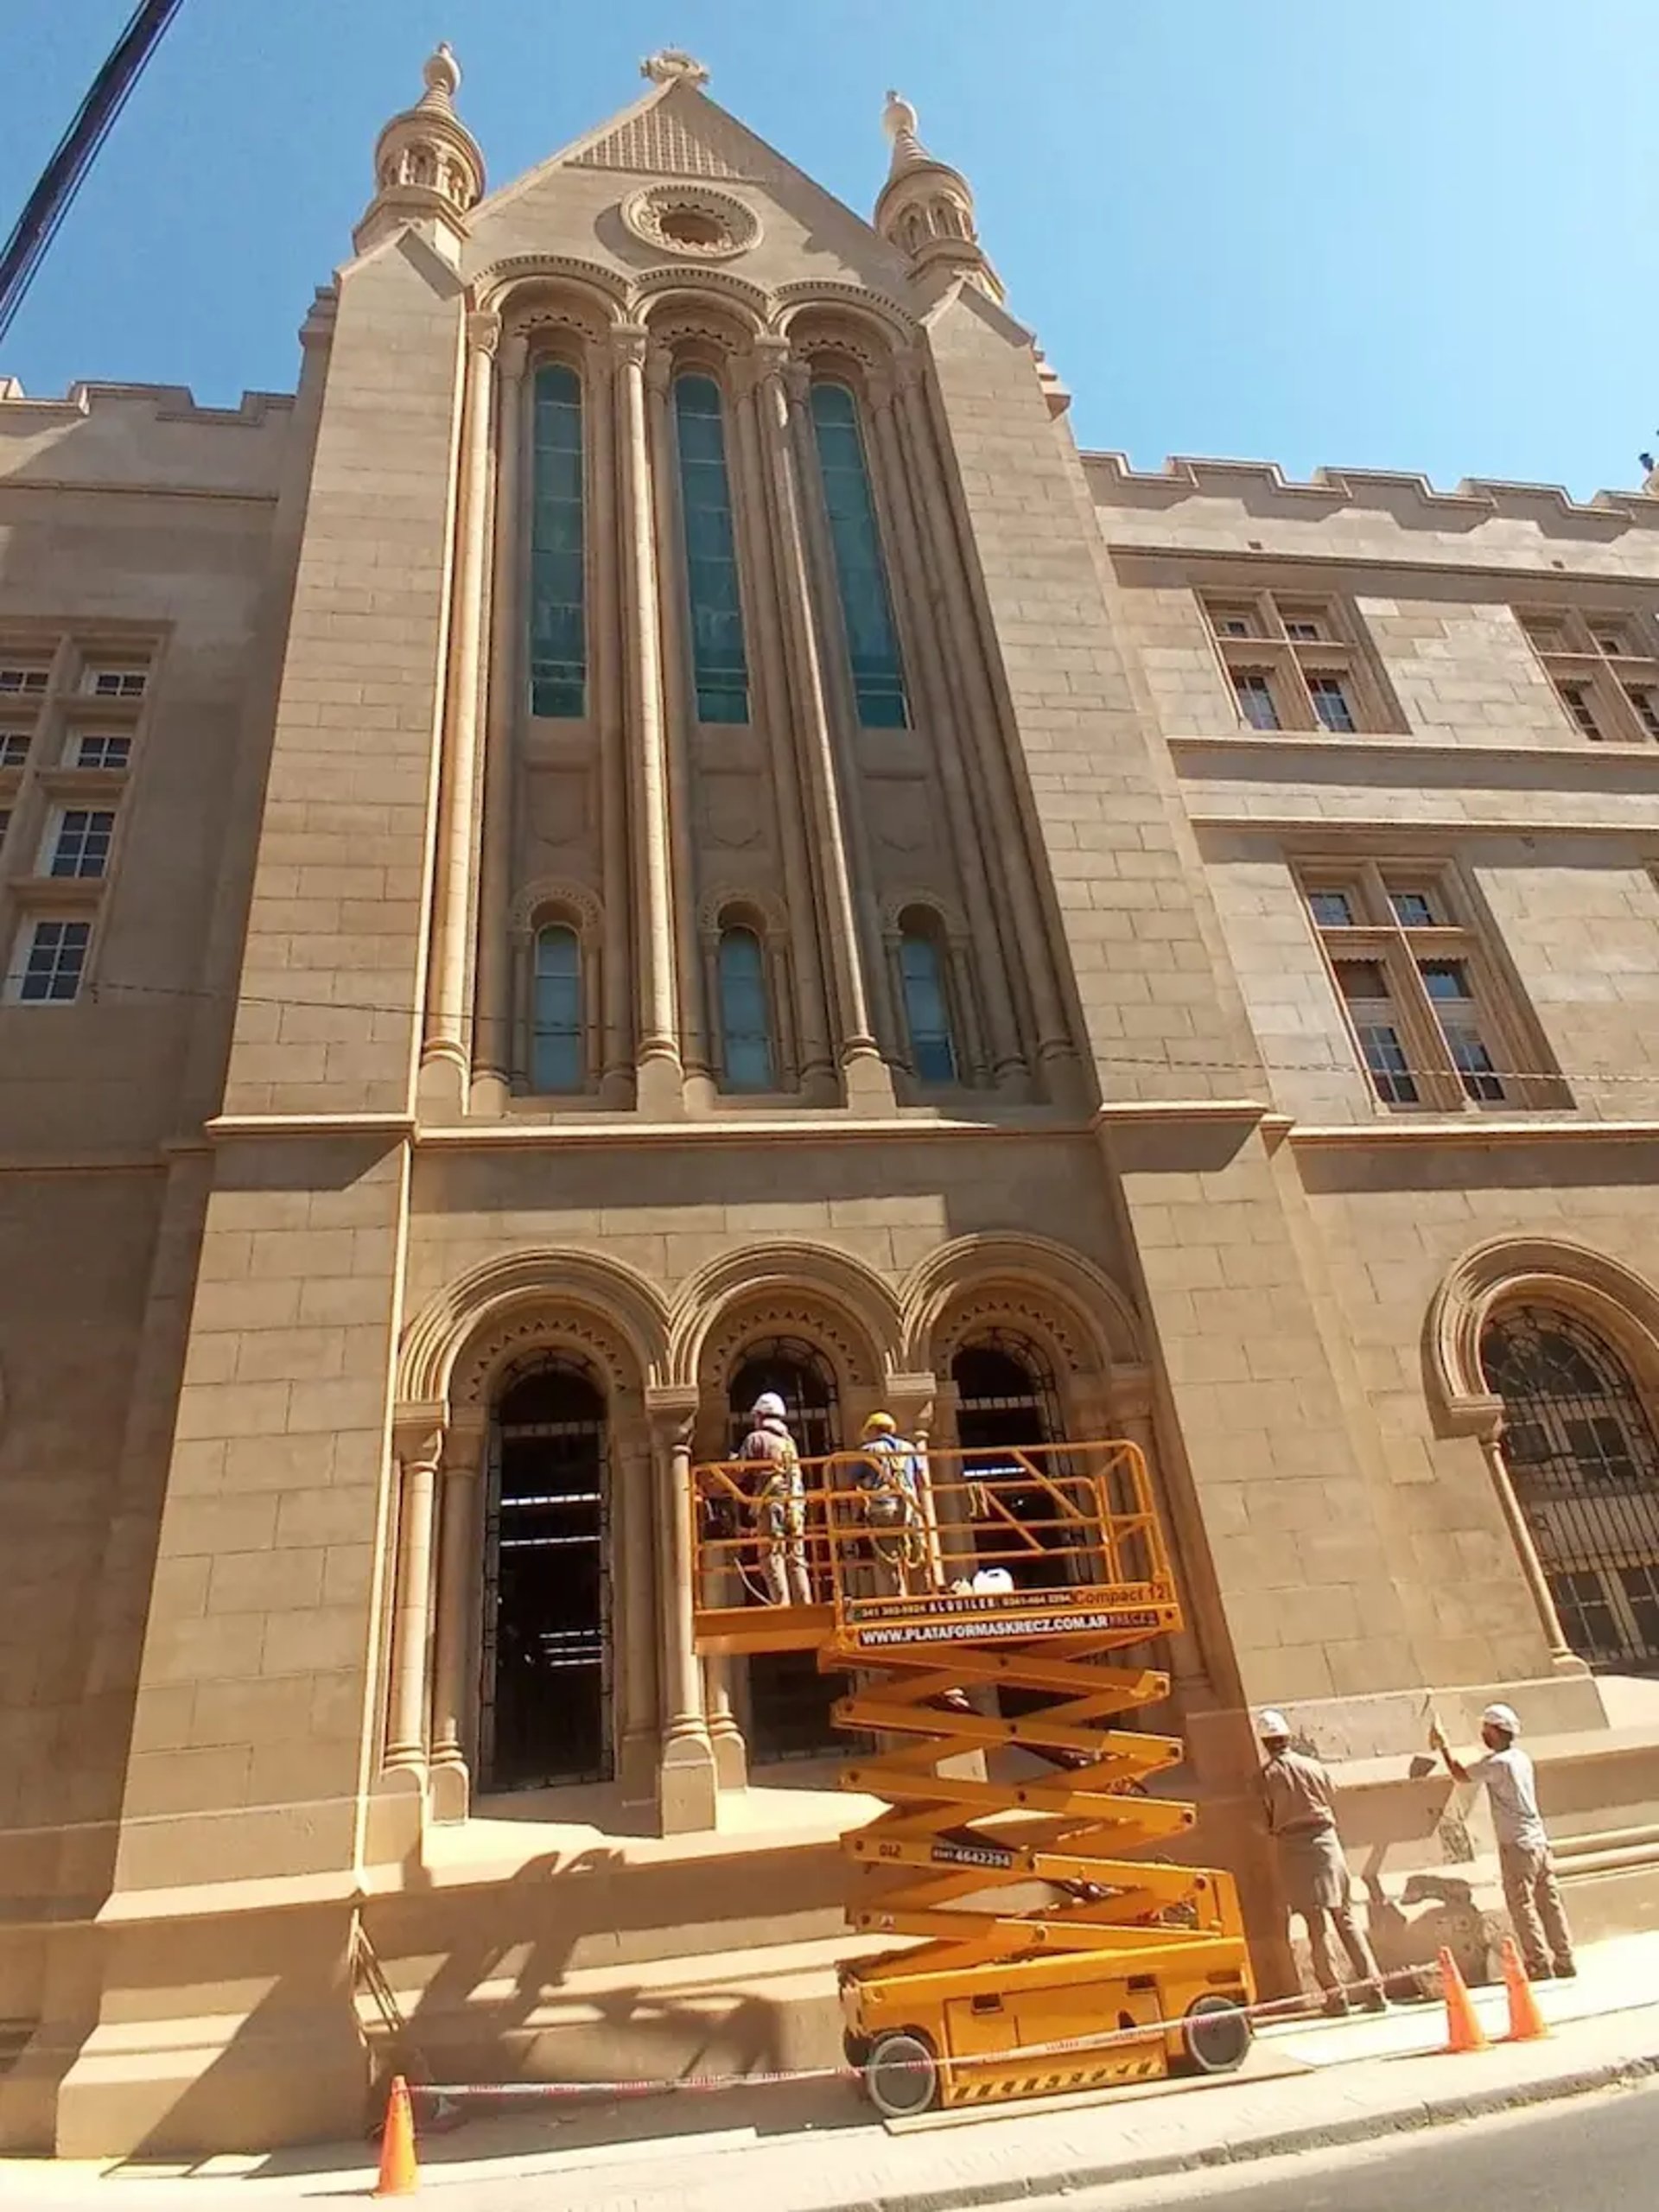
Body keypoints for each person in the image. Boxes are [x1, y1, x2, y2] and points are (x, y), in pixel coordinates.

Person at [1430, 1703, 1575, 1982]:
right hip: (1539, 1842)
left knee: (1522, 1906)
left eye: (1486, 1728)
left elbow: (1460, 1774)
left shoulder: (1499, 1764)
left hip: (1517, 1845)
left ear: (1496, 1731)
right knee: (1550, 1902)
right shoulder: (1521, 1759)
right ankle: (1565, 1957)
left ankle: (1538, 1962)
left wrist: (1443, 1745)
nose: (1483, 1733)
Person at [1258, 1710, 1387, 2016]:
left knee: (1316, 1927)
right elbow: (1331, 1794)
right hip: (1328, 1843)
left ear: (1265, 1742)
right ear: (1287, 1737)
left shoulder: (1266, 1777)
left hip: (1294, 1848)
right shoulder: (1313, 1766)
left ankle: (1335, 1996)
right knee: (1346, 1918)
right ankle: (1374, 1987)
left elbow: (1265, 1818)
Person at [738, 1390, 811, 1606]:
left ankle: (782, 1605)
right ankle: (804, 1602)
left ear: (760, 1416)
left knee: (771, 1555)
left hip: (772, 1505)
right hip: (795, 1506)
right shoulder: (789, 1442)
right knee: (796, 1557)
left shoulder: (756, 1438)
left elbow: (739, 1471)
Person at [854, 1411, 931, 1596]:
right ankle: (923, 1594)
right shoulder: (909, 1448)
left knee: (889, 1559)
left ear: (872, 1430)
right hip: (910, 1508)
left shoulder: (867, 1450)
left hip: (882, 1508)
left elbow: (853, 1482)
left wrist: (859, 1511)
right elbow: (922, 1481)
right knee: (917, 1553)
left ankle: (898, 1600)